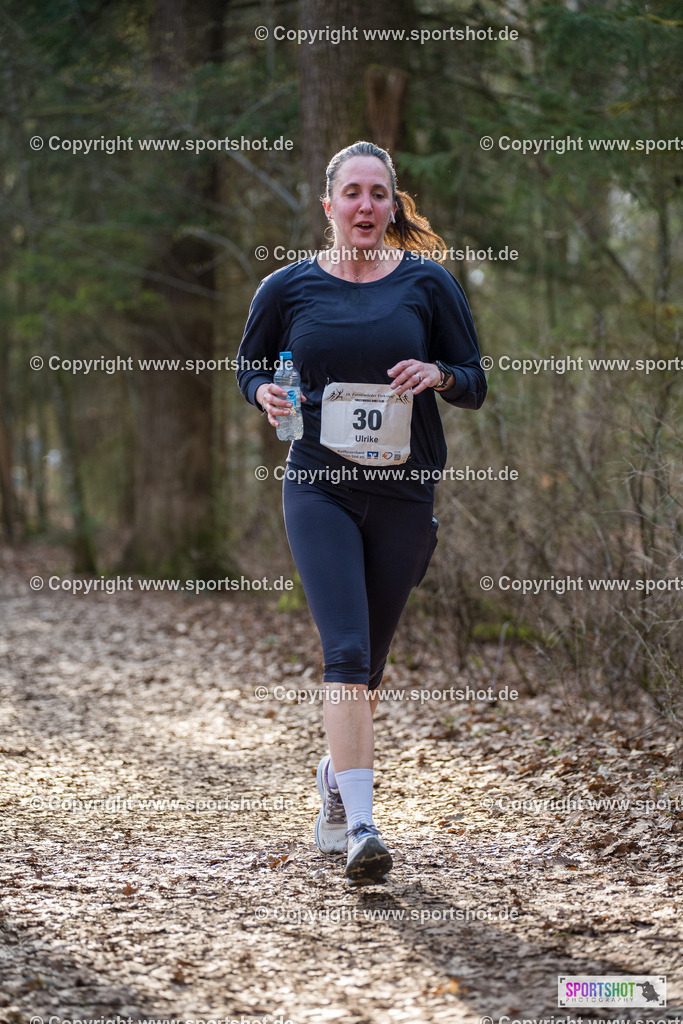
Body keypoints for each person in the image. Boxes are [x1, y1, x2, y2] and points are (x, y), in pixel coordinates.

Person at [237, 140, 486, 883]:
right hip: (319, 486)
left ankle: (333, 777)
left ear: (392, 204)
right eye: (352, 193)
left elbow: (474, 380)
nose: (366, 205)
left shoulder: (427, 283)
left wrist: (438, 373)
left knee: (370, 666)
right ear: (329, 205)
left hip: (405, 490)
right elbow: (249, 365)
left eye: (379, 193)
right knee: (344, 655)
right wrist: (262, 392)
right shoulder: (286, 288)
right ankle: (362, 827)